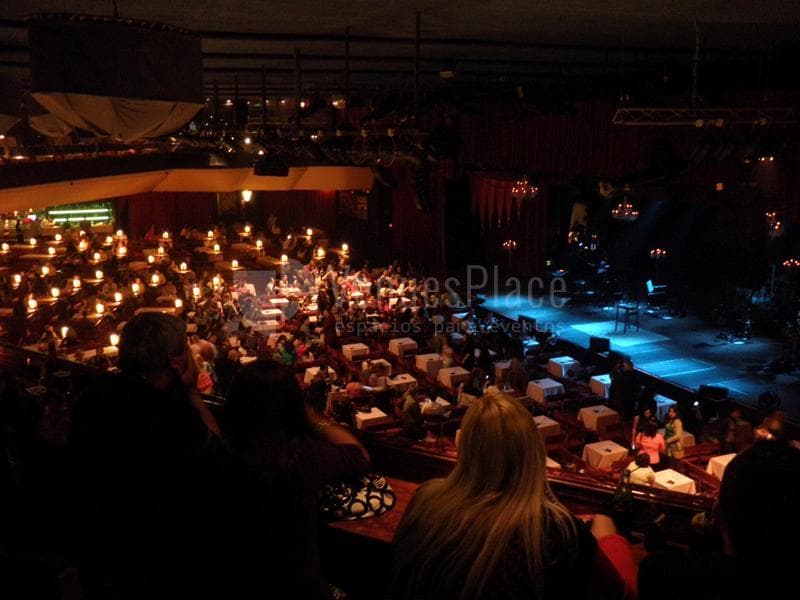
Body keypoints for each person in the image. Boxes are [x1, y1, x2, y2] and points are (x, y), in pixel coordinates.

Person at [392, 393, 635, 600]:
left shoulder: (426, 497)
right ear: (532, 450)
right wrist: (609, 539)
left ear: (465, 446)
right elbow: (620, 593)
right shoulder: (555, 529)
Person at [69, 313, 220, 599]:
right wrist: (194, 396)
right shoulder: (170, 415)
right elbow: (218, 455)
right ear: (174, 360)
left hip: (98, 550)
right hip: (156, 562)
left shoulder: (92, 397)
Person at [210, 360, 370, 599]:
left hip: (229, 581)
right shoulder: (300, 454)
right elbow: (359, 455)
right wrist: (313, 418)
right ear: (293, 403)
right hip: (297, 585)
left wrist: (192, 394)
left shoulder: (218, 450)